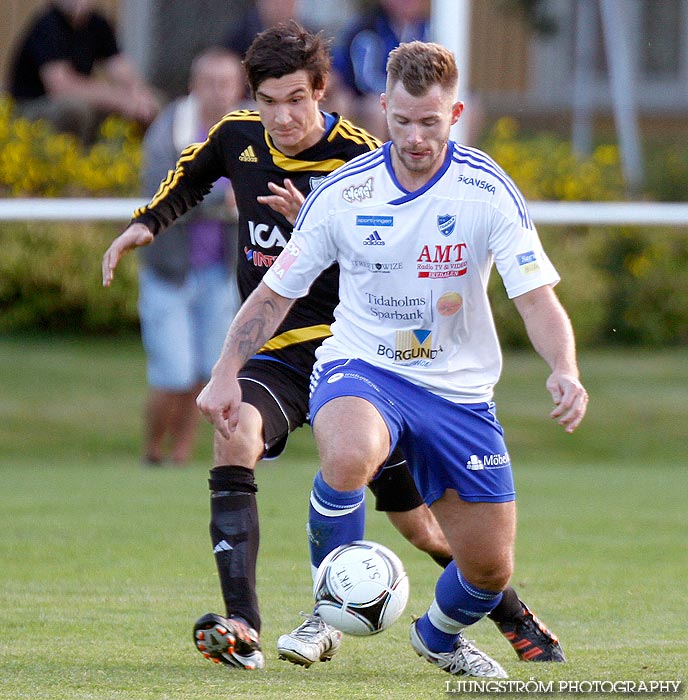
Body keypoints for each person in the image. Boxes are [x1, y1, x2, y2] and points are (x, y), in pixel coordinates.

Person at [102, 22, 566, 672]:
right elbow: (191, 176)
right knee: (238, 434)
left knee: (421, 528)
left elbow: (401, 262)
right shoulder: (237, 136)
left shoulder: (364, 159)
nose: (282, 115)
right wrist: (146, 226)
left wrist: (315, 224)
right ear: (252, 97)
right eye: (268, 100)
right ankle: (248, 624)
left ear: (323, 91)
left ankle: (499, 606)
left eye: (296, 98)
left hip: (378, 359)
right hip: (295, 359)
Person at [137, 48, 245, 466]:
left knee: (205, 374)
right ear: (193, 86)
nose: (218, 93)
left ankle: (180, 456)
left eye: (226, 83)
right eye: (210, 83)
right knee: (173, 375)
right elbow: (164, 189)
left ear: (238, 88)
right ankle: (151, 453)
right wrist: (224, 195)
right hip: (170, 271)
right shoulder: (169, 129)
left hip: (222, 271)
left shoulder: (250, 129)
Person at [7, 0, 160, 144]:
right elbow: (62, 86)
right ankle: (68, 161)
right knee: (75, 110)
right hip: (32, 106)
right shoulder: (48, 25)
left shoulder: (97, 24)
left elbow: (120, 68)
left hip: (77, 99)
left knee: (155, 102)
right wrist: (121, 100)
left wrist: (140, 95)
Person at [328, 0, 430, 140]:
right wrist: (403, 93)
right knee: (376, 109)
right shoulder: (368, 29)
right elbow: (365, 80)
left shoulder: (432, 28)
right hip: (365, 98)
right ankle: (377, 159)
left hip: (416, 96)